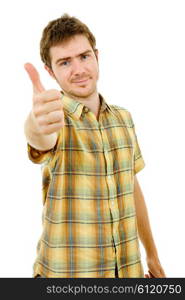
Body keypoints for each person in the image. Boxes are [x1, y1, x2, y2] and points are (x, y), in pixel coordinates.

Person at [24, 13, 166, 278]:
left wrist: (152, 254)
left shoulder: (123, 119)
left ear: (97, 56)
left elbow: (130, 185)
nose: (78, 69)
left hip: (127, 273)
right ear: (50, 71)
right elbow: (39, 139)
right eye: (65, 62)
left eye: (84, 56)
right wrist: (35, 124)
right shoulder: (56, 121)